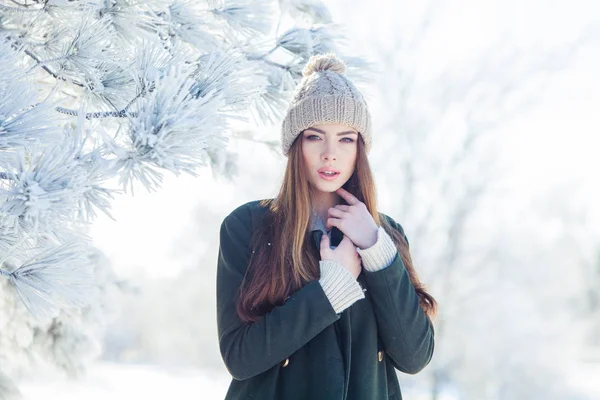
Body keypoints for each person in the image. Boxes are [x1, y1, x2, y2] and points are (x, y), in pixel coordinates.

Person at [216, 52, 437, 400]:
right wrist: (331, 289)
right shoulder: (248, 226)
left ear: (359, 149)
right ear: (295, 145)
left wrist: (377, 252)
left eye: (346, 139)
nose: (330, 153)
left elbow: (414, 356)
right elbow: (240, 357)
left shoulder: (386, 235)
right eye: (315, 137)